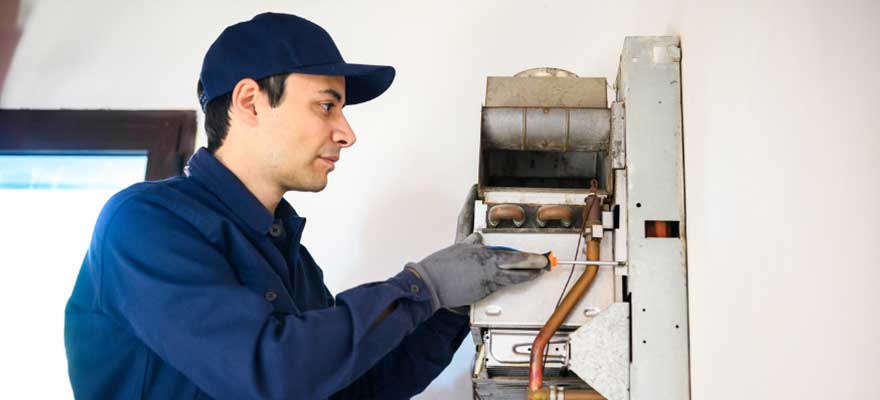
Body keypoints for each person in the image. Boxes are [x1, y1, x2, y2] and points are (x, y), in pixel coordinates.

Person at [64, 12, 544, 400]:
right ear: (250, 102)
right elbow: (268, 374)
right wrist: (423, 287)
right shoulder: (146, 225)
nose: (347, 133)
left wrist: (453, 304)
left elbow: (357, 388)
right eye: (326, 106)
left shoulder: (289, 255)